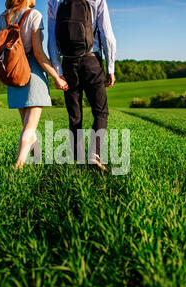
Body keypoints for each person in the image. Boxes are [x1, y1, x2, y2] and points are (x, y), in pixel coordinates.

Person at [0, 0, 69, 170]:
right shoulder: (34, 15)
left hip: (13, 74)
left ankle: (38, 160)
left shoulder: (3, 18)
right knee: (29, 129)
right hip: (32, 74)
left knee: (28, 127)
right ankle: (18, 165)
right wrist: (56, 77)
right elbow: (38, 53)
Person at [48, 0, 116, 172]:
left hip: (68, 63)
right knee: (100, 111)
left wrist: (58, 70)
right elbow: (106, 34)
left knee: (74, 116)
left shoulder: (55, 1)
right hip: (92, 60)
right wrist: (110, 68)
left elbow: (52, 37)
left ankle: (78, 161)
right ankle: (95, 155)